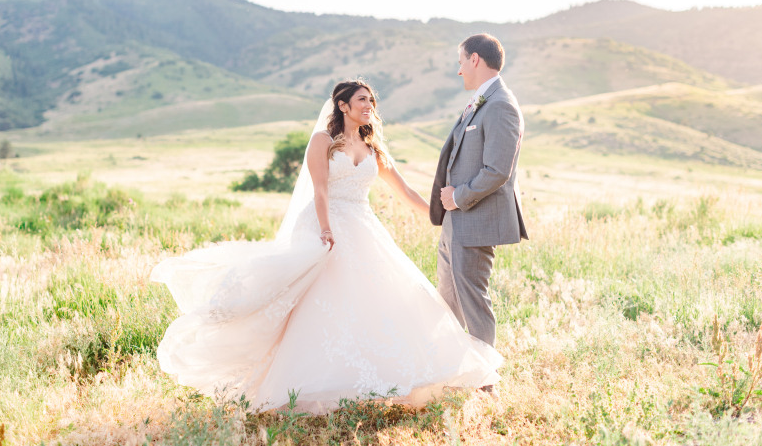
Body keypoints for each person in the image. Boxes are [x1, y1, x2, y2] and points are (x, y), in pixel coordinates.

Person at [151, 79, 502, 413]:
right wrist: (325, 228)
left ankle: (376, 379)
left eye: (371, 101)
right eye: (362, 99)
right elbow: (319, 189)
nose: (369, 106)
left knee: (374, 301)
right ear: (343, 105)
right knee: (314, 299)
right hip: (324, 224)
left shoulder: (373, 148)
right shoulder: (322, 141)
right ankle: (306, 380)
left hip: (362, 227)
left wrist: (444, 214)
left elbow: (407, 192)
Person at [429, 33, 529, 397]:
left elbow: (498, 169)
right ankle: (456, 374)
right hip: (457, 220)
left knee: (473, 301)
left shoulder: (501, 104)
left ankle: (486, 385)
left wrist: (459, 196)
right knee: (449, 299)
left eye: (460, 61)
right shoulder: (480, 101)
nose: (458, 70)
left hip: (475, 218)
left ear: (475, 59)